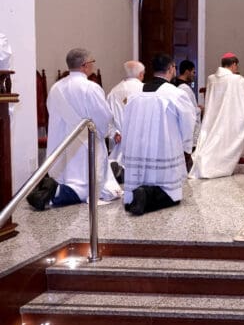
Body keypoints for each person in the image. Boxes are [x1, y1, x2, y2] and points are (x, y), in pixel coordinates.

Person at [27, 48, 122, 210]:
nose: (92, 65)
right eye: (92, 62)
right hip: (86, 143)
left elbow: (51, 110)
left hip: (61, 142)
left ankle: (52, 186)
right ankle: (56, 192)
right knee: (89, 185)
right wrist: (106, 132)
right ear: (85, 65)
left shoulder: (56, 87)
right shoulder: (90, 88)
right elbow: (104, 116)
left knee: (65, 176)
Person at [122, 54, 197, 215]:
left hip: (138, 148)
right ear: (170, 69)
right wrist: (186, 147)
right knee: (171, 195)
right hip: (163, 147)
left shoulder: (136, 93)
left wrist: (127, 146)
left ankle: (134, 196)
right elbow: (188, 122)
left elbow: (126, 120)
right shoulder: (175, 93)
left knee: (140, 178)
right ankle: (148, 194)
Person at [188, 52, 244, 179]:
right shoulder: (234, 79)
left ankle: (203, 160)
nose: (237, 69)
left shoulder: (211, 78)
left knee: (211, 139)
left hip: (213, 117)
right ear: (233, 64)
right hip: (227, 118)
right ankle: (211, 165)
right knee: (224, 140)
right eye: (236, 66)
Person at [106, 60, 145, 170]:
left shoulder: (114, 91)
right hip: (141, 141)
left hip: (120, 141)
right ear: (141, 74)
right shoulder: (145, 90)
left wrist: (114, 133)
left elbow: (107, 118)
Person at [172, 59, 201, 147]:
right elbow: (188, 111)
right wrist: (200, 109)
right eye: (193, 72)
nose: (194, 75)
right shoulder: (184, 88)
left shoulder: (174, 85)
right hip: (188, 132)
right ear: (187, 72)